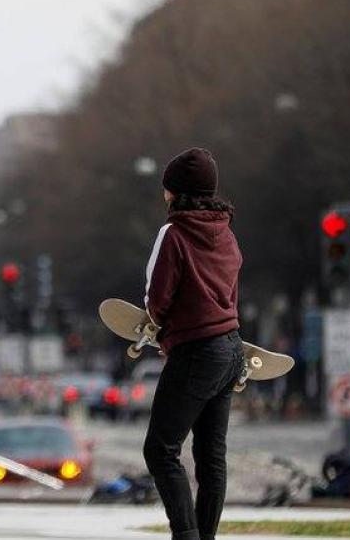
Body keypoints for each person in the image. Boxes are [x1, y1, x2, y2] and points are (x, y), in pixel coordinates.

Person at [141, 148, 243, 540]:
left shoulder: (174, 233)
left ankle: (186, 535)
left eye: (166, 189)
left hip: (197, 352)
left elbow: (157, 298)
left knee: (161, 450)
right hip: (231, 347)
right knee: (210, 456)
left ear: (175, 192)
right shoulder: (227, 232)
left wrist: (159, 324)